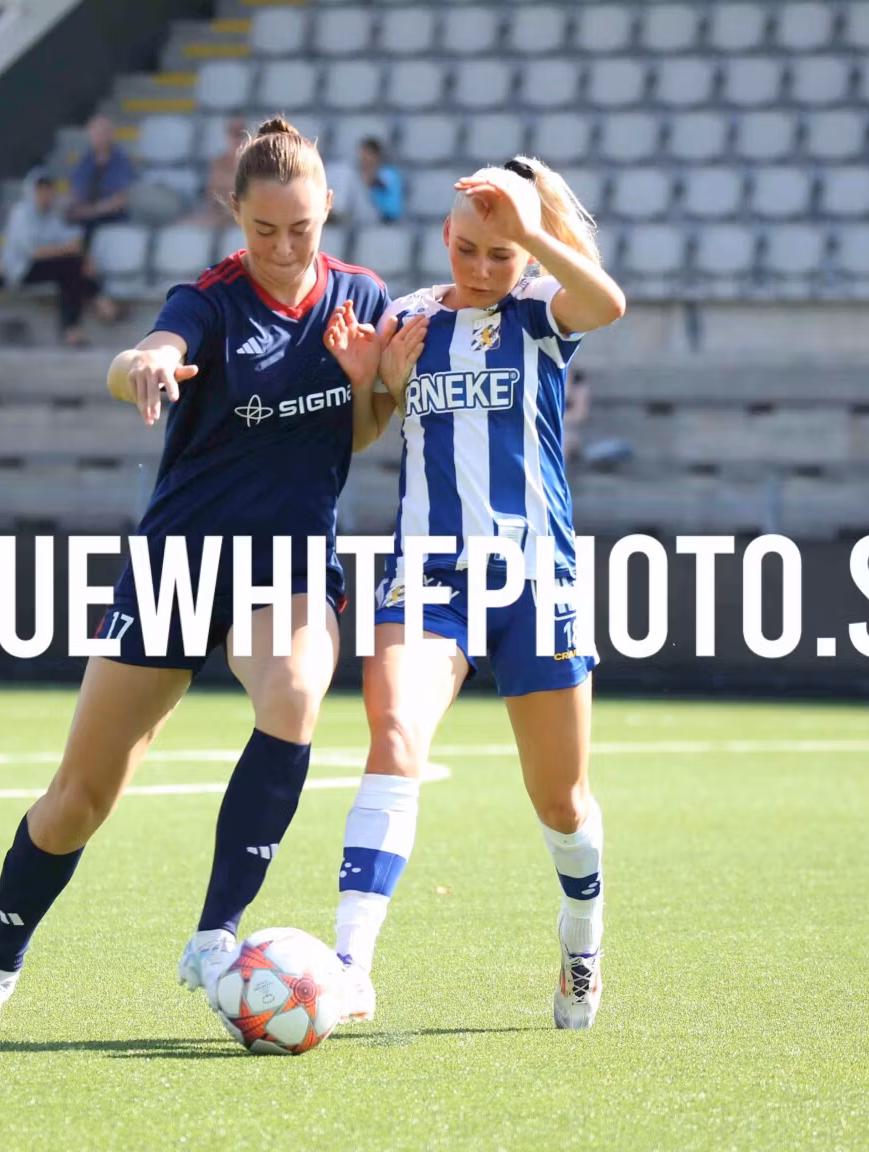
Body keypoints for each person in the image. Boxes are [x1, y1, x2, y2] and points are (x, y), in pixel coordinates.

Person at [0, 117, 401, 1030]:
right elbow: (141, 354)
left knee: (298, 694)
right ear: (234, 213)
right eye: (262, 230)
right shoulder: (211, 300)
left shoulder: (363, 298)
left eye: (300, 229)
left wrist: (360, 382)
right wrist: (144, 363)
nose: (281, 248)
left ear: (328, 210)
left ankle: (215, 934)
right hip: (179, 566)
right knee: (78, 801)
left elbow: (358, 434)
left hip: (292, 563)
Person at [330, 156, 628, 1031]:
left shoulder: (542, 310)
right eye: (468, 248)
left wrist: (532, 234)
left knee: (561, 801)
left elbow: (608, 305)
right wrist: (368, 381)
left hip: (537, 577)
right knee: (393, 737)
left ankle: (582, 935)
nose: (482, 269)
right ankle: (351, 966)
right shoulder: (411, 316)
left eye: (500, 254)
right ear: (444, 237)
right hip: (428, 575)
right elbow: (361, 438)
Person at [0, 172, 101, 346]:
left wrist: (86, 258)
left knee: (71, 270)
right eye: (41, 191)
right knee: (70, 266)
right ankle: (98, 300)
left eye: (49, 191)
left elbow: (72, 240)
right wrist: (68, 250)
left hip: (47, 265)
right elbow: (33, 253)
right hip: (21, 269)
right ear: (32, 192)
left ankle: (72, 329)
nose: (46, 196)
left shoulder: (52, 214)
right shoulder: (20, 214)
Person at [339, 137, 404, 227]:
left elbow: (379, 185)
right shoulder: (359, 173)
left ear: (376, 155)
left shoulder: (388, 173)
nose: (363, 157)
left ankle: (338, 213)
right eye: (362, 153)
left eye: (367, 153)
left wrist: (369, 180)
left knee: (347, 174)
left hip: (383, 216)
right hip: (362, 216)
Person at [197, 116, 248, 224]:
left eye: (240, 133)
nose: (236, 138)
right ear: (227, 135)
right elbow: (211, 195)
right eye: (233, 133)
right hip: (221, 215)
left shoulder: (257, 163)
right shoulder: (217, 163)